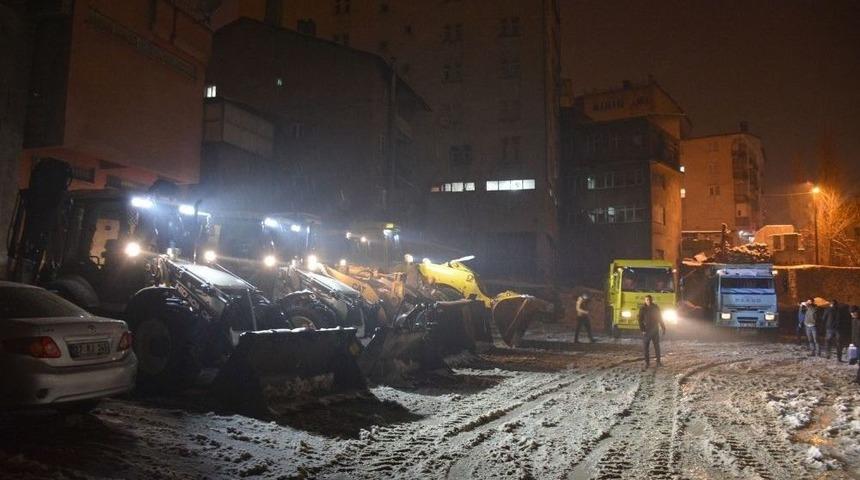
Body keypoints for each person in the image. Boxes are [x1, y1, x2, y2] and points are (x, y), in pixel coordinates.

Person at [638, 295, 665, 369]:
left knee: (657, 346)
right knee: (645, 347)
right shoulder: (643, 309)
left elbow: (660, 318)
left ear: (651, 300)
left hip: (655, 329)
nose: (648, 301)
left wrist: (663, 327)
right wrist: (642, 330)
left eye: (649, 300)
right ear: (645, 301)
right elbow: (640, 320)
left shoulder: (655, 307)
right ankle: (647, 363)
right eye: (647, 300)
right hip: (646, 330)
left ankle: (658, 362)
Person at [850, 305, 860, 384]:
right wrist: (853, 342)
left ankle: (858, 378)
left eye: (853, 313)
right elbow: (854, 332)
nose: (852, 314)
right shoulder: (854, 320)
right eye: (851, 313)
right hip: (857, 344)